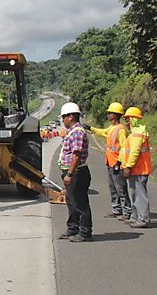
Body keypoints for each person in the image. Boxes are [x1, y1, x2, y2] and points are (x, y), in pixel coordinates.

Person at [86, 102, 130, 220]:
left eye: (110, 113)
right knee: (113, 188)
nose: (108, 115)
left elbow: (124, 147)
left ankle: (126, 211)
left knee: (121, 188)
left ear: (115, 115)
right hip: (110, 162)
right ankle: (117, 209)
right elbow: (103, 132)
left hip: (117, 163)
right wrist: (91, 129)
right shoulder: (112, 128)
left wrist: (119, 163)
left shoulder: (120, 130)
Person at [57, 102, 93, 242]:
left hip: (77, 172)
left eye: (64, 117)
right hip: (72, 172)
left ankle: (85, 232)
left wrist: (70, 174)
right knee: (72, 202)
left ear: (71, 117)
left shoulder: (77, 132)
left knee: (80, 203)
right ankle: (73, 228)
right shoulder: (73, 131)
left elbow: (76, 155)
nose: (63, 120)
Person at [120, 106, 152, 228]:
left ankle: (143, 220)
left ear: (133, 119)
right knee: (133, 194)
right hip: (135, 170)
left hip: (139, 170)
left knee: (139, 196)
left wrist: (128, 166)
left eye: (127, 120)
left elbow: (134, 152)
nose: (126, 122)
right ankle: (136, 217)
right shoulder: (134, 133)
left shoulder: (138, 133)